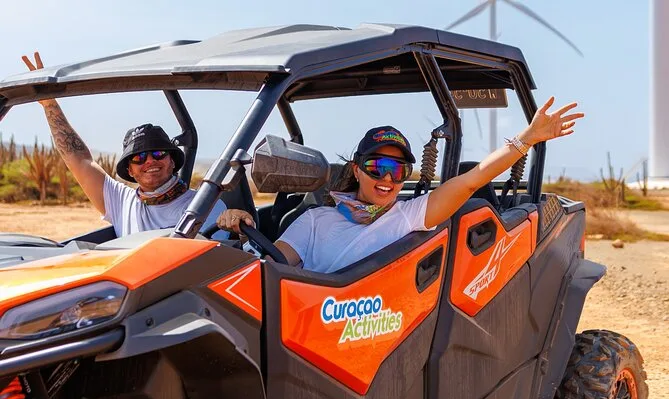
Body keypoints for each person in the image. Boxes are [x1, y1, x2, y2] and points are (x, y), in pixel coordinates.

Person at [218, 97, 583, 273]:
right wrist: (239, 229)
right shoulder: (316, 220)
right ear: (357, 170)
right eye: (378, 167)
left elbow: (471, 181)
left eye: (399, 170)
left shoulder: (409, 216)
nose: (388, 180)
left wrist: (527, 139)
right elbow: (271, 266)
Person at [22, 52, 227, 239]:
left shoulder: (205, 207)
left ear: (172, 160)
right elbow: (79, 159)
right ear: (130, 170)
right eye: (139, 157)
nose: (149, 161)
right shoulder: (121, 201)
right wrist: (49, 104)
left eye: (158, 153)